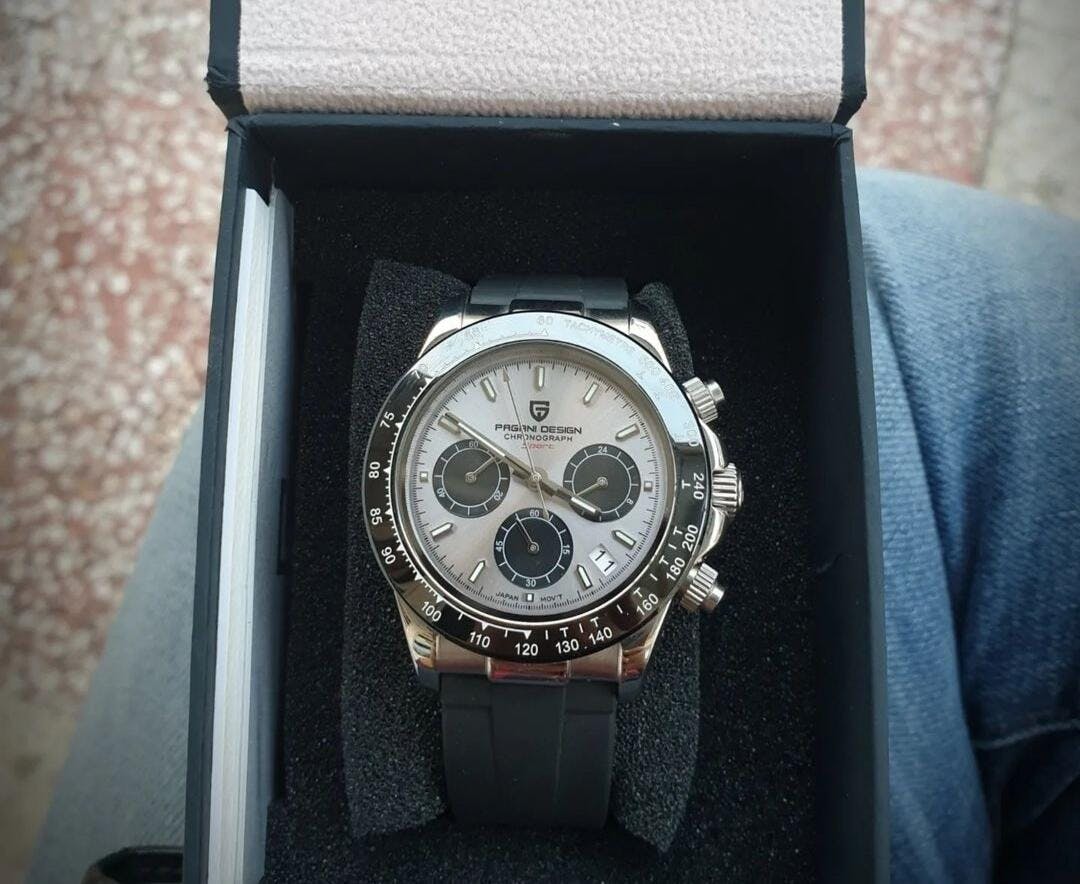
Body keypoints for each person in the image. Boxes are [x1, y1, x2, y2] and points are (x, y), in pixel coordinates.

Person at [27, 170, 1080, 883]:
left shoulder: (593, 455)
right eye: (498, 472)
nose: (532, 485)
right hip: (470, 610)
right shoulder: (451, 397)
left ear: (709, 492)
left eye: (581, 477)